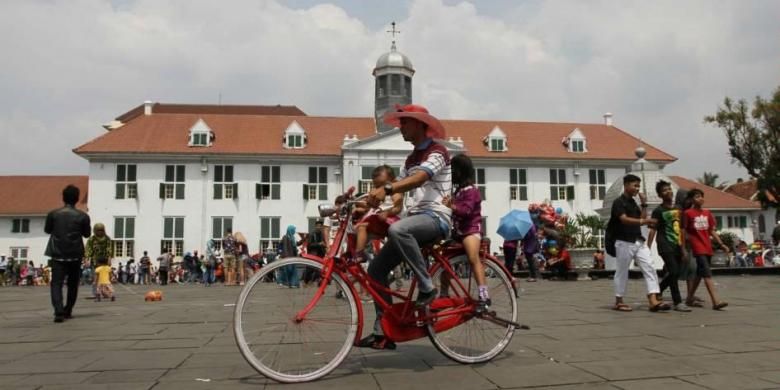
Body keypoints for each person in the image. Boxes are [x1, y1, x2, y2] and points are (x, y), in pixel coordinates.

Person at [360, 104, 452, 350]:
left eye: (405, 123)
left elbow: (421, 178)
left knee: (399, 230)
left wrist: (388, 188)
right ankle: (383, 331)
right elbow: (400, 192)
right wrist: (374, 200)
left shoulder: (438, 151)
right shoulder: (410, 159)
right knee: (376, 270)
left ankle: (426, 286)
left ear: (421, 125)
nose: (401, 128)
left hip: (436, 217)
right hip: (415, 219)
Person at [608, 174, 668, 312]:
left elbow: (640, 218)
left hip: (637, 240)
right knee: (622, 271)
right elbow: (624, 219)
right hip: (623, 241)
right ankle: (619, 300)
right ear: (626, 185)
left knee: (649, 266)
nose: (637, 189)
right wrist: (645, 221)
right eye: (635, 185)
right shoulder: (619, 202)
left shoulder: (633, 203)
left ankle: (653, 299)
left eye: (638, 186)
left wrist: (644, 204)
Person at [441, 154, 490, 308]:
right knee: (445, 263)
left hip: (471, 230)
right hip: (458, 232)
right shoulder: (458, 192)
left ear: (460, 172)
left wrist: (452, 206)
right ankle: (443, 294)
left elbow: (467, 211)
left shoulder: (471, 191)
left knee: (472, 257)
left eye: (452, 171)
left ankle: (484, 295)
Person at [45, 184, 91, 322]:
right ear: (77, 199)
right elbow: (87, 234)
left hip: (58, 253)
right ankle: (68, 309)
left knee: (56, 283)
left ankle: (58, 310)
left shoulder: (53, 214)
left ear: (63, 198)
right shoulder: (83, 216)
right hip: (75, 253)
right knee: (72, 284)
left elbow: (47, 230)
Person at [647, 180, 692, 312]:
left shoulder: (678, 210)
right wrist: (647, 247)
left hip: (677, 245)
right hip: (664, 244)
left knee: (675, 272)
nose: (668, 192)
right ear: (660, 195)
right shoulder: (658, 211)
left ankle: (657, 291)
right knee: (674, 271)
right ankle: (678, 302)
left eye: (669, 189)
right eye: (664, 190)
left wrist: (683, 248)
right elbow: (653, 229)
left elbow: (682, 230)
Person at [683, 189, 729, 310]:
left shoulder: (707, 213)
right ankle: (715, 301)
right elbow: (684, 231)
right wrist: (684, 246)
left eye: (701, 196)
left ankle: (689, 298)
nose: (700, 199)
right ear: (691, 199)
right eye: (697, 197)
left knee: (700, 274)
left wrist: (721, 244)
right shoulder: (688, 213)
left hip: (707, 246)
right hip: (697, 247)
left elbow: (711, 230)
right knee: (707, 274)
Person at [353, 165, 404, 261]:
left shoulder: (395, 191)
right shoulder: (377, 193)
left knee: (362, 226)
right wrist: (359, 203)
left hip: (392, 220)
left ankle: (359, 253)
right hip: (381, 220)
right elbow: (370, 206)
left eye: (383, 184)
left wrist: (388, 212)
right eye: (377, 186)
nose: (380, 188)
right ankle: (357, 253)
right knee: (357, 230)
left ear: (393, 181)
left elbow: (398, 207)